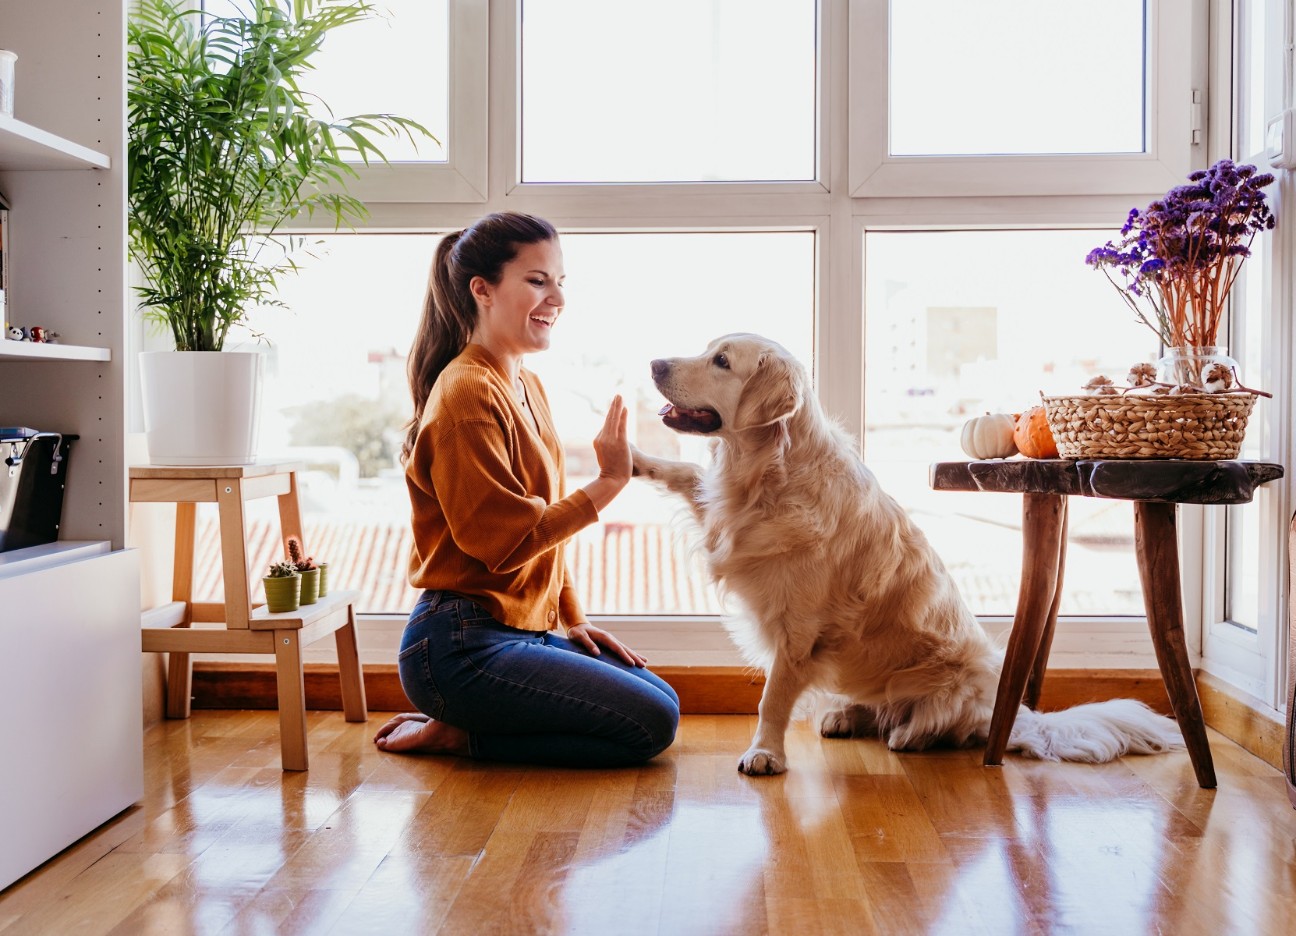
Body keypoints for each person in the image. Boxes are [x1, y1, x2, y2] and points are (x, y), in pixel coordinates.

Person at [373, 211, 680, 767]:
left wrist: (572, 617)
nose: (556, 298)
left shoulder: (524, 383)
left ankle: (466, 725)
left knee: (663, 700)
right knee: (651, 725)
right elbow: (506, 543)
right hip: (458, 645)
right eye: (538, 280)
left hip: (520, 629)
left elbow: (543, 536)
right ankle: (458, 734)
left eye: (560, 282)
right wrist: (610, 481)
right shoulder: (466, 394)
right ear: (482, 290)